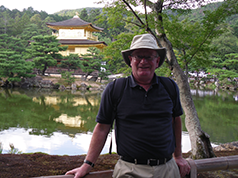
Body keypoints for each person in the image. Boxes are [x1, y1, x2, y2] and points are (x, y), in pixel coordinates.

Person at [66, 34, 191, 178]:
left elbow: (175, 121)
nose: (143, 61)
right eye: (138, 56)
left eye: (149, 57)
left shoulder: (169, 87)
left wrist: (179, 156)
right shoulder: (115, 89)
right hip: (130, 170)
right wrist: (87, 164)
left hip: (167, 169)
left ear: (157, 61)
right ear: (131, 60)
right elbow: (102, 128)